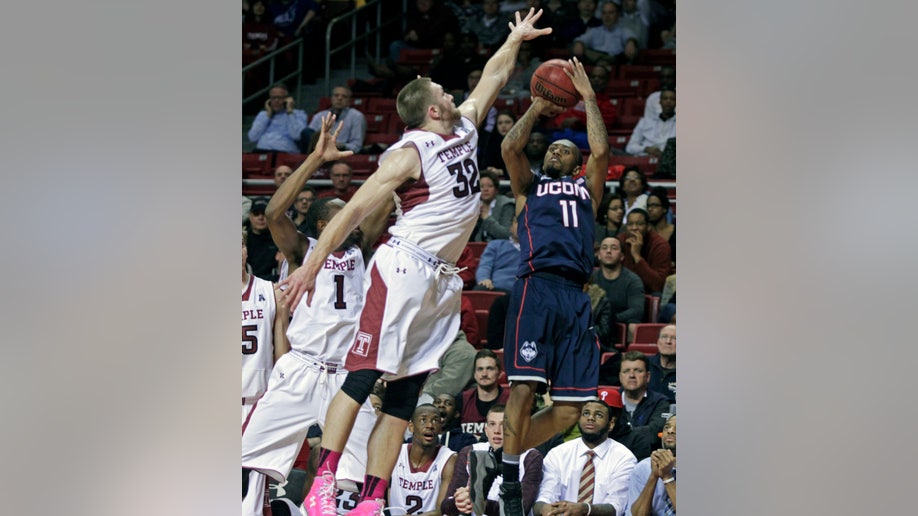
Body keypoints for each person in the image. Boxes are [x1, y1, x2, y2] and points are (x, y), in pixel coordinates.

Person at [281, 11, 552, 516]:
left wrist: (514, 39)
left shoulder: (466, 129)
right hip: (404, 268)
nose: (454, 93)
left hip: (443, 281)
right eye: (443, 91)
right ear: (431, 108)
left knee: (405, 397)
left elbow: (493, 75)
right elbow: (354, 212)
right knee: (363, 377)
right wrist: (309, 266)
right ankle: (324, 479)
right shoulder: (408, 152)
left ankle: (371, 498)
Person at [241, 115, 393, 516]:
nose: (355, 220)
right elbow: (275, 212)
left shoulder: (361, 248)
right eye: (346, 215)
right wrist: (315, 158)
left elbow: (388, 188)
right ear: (325, 224)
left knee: (362, 478)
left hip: (346, 376)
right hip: (302, 369)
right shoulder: (302, 250)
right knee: (243, 457)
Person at [498, 56, 609, 516]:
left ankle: (506, 451)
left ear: (577, 162)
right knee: (523, 388)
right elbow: (509, 147)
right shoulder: (529, 187)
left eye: (565, 150)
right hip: (537, 289)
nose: (555, 152)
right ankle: (507, 480)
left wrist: (587, 98)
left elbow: (602, 153)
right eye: (552, 149)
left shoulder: (589, 190)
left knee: (568, 410)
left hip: (576, 295)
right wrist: (537, 106)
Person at [242, 230, 291, 516]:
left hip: (258, 404)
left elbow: (281, 353)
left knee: (253, 503)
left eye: (240, 244)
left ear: (246, 250)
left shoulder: (270, 292)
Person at [533, 400, 637, 516]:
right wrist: (545, 508)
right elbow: (545, 495)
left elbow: (617, 506)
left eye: (598, 415)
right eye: (586, 413)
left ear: (611, 424)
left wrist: (585, 510)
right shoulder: (558, 453)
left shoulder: (624, 458)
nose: (590, 418)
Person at [441, 405, 544, 516]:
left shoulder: (530, 457)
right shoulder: (470, 451)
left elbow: (521, 508)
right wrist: (458, 503)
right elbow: (445, 506)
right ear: (486, 430)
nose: (497, 431)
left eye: (504, 425)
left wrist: (479, 501)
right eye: (492, 424)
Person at [388, 404, 457, 515]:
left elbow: (441, 511)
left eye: (435, 421)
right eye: (423, 420)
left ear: (440, 428)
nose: (430, 425)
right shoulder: (395, 453)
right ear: (411, 426)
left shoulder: (449, 459)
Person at [627, 416, 676, 515]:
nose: (670, 431)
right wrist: (653, 476)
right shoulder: (644, 467)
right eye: (667, 427)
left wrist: (667, 477)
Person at [592, 236, 645, 326]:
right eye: (604, 248)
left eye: (614, 248)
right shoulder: (591, 278)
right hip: (595, 322)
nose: (608, 251)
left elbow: (637, 310)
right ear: (599, 255)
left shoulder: (632, 280)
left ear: (621, 256)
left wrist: (611, 319)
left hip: (620, 322)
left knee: (633, 324)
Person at [616, 208, 671, 294]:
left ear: (648, 227)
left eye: (639, 224)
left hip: (648, 292)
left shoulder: (660, 245)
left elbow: (658, 285)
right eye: (630, 224)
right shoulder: (620, 241)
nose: (634, 228)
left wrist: (637, 256)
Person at [618, 351, 669, 443]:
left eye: (638, 371)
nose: (632, 375)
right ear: (620, 376)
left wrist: (619, 433)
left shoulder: (660, 403)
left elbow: (653, 434)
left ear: (648, 376)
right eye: (626, 371)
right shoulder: (610, 400)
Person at [460, 350, 511, 438]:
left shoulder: (511, 400)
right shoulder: (461, 400)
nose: (484, 374)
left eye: (490, 368)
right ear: (474, 374)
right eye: (480, 369)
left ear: (499, 373)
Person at [247, 82, 310, 153]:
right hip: (261, 152)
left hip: (284, 154)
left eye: (280, 98)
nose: (276, 100)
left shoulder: (298, 114)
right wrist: (268, 115)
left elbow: (296, 136)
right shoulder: (263, 115)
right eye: (273, 98)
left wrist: (290, 112)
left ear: (288, 99)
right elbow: (252, 137)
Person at [572, 1, 637, 67]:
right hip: (595, 61)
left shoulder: (623, 30)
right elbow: (581, 39)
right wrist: (579, 43)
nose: (607, 16)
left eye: (611, 13)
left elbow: (631, 37)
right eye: (604, 13)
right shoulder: (595, 31)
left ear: (618, 14)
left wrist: (631, 42)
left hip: (614, 62)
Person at [308, 85, 367, 154]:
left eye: (344, 96)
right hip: (319, 151)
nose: (339, 98)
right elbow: (309, 139)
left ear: (349, 101)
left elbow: (357, 146)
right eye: (336, 95)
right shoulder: (319, 116)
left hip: (340, 152)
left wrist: (341, 145)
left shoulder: (357, 116)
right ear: (331, 98)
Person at [475, 217, 521, 293]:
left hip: (520, 291)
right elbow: (485, 265)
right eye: (517, 222)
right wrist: (484, 279)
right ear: (510, 227)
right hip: (494, 287)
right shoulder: (495, 245)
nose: (520, 225)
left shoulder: (535, 249)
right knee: (479, 290)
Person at [625, 88, 675, 158]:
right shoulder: (645, 122)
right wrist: (646, 149)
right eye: (665, 98)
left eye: (672, 99)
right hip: (644, 158)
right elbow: (629, 148)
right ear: (660, 101)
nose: (668, 101)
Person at [471, 170, 515, 242]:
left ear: (496, 189)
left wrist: (486, 218)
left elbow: (507, 234)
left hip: (499, 248)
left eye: (490, 186)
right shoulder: (474, 206)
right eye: (481, 186)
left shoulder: (506, 205)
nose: (485, 189)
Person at [245, 200, 281, 281]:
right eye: (256, 214)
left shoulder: (279, 238)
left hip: (273, 282)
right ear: (250, 216)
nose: (260, 217)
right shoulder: (243, 239)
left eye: (264, 214)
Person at [479, 109, 517, 174]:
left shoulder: (522, 142)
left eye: (507, 122)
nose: (503, 126)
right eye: (500, 123)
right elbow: (485, 166)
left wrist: (502, 172)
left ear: (515, 123)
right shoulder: (491, 143)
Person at [645, 187, 675, 267]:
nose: (650, 209)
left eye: (654, 205)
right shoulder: (644, 233)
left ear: (664, 209)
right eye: (648, 206)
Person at [646, 325, 675, 404]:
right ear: (658, 342)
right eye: (664, 337)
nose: (668, 341)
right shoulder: (644, 364)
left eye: (674, 338)